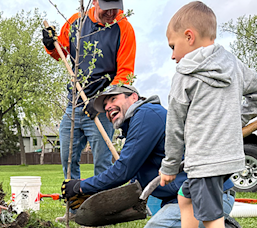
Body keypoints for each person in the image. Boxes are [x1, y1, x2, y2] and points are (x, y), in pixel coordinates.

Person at [61, 84, 236, 227]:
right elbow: (133, 181)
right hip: (180, 198)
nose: (108, 107)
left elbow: (123, 170)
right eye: (105, 106)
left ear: (133, 97)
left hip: (207, 195)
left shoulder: (146, 115)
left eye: (113, 99)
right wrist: (98, 194)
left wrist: (81, 187)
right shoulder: (137, 124)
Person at [159, 1, 257, 228]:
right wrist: (238, 117)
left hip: (205, 162)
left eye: (173, 46)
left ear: (189, 37)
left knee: (211, 219)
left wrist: (169, 167)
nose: (173, 56)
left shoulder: (183, 76)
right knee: (186, 196)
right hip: (230, 157)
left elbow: (174, 127)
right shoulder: (234, 64)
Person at [42, 0, 136, 196]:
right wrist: (50, 45)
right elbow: (61, 52)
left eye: (115, 8)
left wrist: (102, 101)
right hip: (73, 103)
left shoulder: (124, 28)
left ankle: (100, 210)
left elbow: (125, 73)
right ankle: (75, 210)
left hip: (102, 107)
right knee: (67, 159)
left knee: (102, 162)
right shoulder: (77, 22)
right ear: (94, 2)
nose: (112, 13)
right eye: (106, 7)